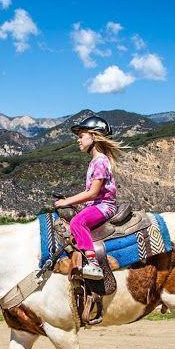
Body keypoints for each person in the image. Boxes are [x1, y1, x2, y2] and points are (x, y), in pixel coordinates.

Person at [54, 115, 123, 280]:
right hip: (96, 204)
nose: (78, 140)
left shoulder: (100, 161)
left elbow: (92, 193)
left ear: (93, 136)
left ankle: (93, 264)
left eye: (81, 136)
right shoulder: (95, 161)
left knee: (78, 222)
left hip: (104, 205)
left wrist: (66, 201)